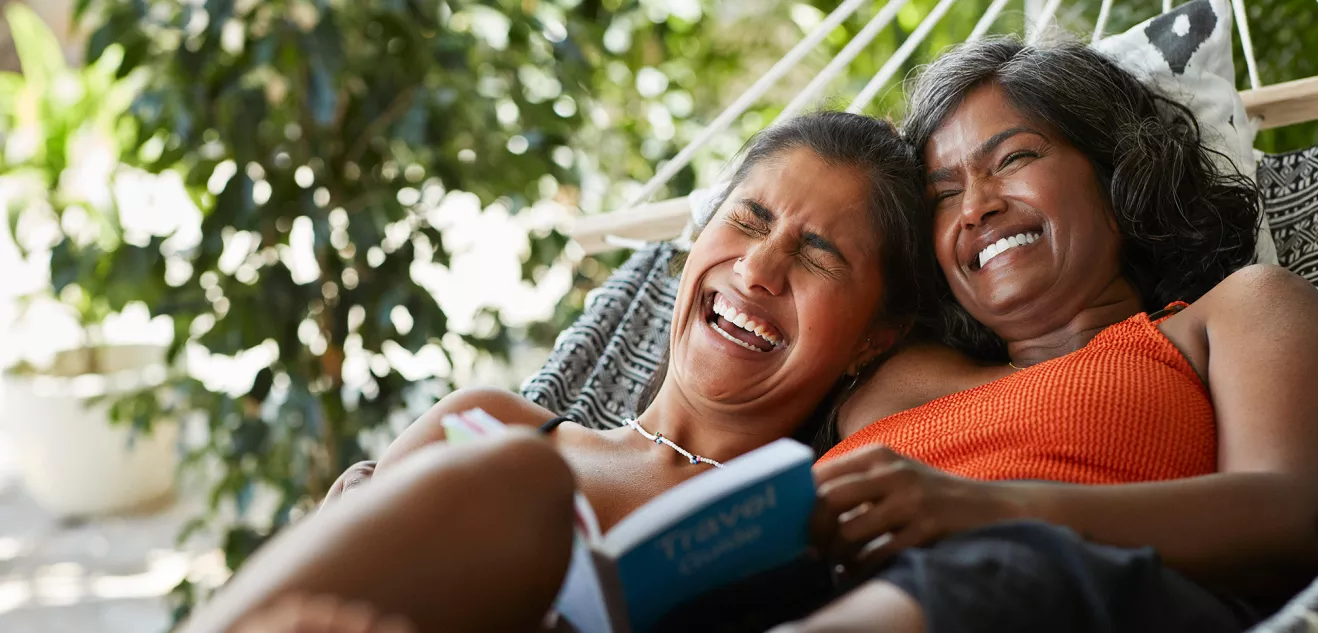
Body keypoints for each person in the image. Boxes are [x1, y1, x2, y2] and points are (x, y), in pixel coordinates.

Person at [176, 110, 938, 633]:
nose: (760, 269)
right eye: (748, 218)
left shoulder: (811, 521)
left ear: (877, 339)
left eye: (818, 254)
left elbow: (1037, 378)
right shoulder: (489, 421)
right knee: (519, 473)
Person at [778, 37, 1318, 633]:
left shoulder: (1231, 315)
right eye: (944, 195)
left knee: (1013, 565)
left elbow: (1298, 517)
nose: (975, 208)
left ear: (1118, 177)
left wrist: (992, 511)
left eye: (1013, 159)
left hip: (1066, 593)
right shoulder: (879, 372)